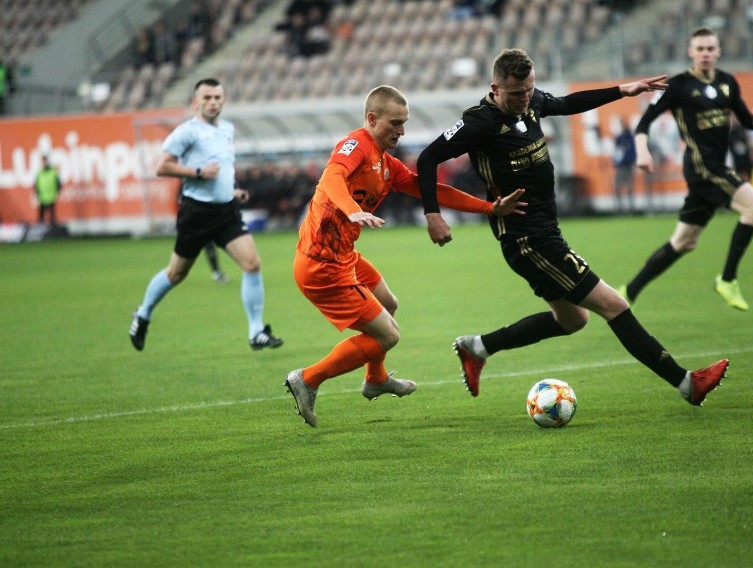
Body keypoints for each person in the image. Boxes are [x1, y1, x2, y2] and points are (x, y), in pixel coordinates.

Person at [416, 48, 729, 406]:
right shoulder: (479, 123)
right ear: (495, 88)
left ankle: (478, 347)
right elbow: (428, 158)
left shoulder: (531, 104)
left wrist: (621, 90)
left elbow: (566, 103)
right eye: (516, 93)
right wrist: (433, 214)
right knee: (614, 304)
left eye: (529, 90)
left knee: (572, 319)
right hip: (528, 239)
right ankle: (687, 382)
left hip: (546, 231)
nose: (525, 99)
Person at [283, 85, 526, 427]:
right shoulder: (354, 146)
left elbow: (429, 189)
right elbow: (331, 177)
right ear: (372, 119)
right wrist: (352, 210)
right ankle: (307, 379)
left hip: (344, 256)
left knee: (389, 303)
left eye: (404, 123)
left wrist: (489, 207)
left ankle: (376, 379)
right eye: (395, 123)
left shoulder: (385, 163)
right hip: (321, 265)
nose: (402, 131)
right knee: (388, 335)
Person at [617, 27, 753, 311]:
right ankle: (727, 279)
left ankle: (628, 291)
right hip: (703, 167)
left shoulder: (728, 82)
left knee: (684, 241)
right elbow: (644, 121)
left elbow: (746, 120)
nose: (706, 54)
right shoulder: (678, 86)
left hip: (712, 169)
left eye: (711, 48)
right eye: (700, 49)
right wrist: (642, 150)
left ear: (719, 51)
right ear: (691, 52)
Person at [129, 78, 282, 352]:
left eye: (217, 98)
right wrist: (197, 173)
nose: (213, 102)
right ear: (196, 101)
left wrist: (233, 190)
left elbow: (223, 167)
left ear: (223, 100)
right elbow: (161, 167)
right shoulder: (187, 132)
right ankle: (143, 314)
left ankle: (256, 330)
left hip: (226, 212)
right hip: (196, 213)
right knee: (176, 274)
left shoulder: (227, 129)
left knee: (252, 264)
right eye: (207, 97)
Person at [612, 115, 637, 214]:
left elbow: (632, 151)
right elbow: (617, 151)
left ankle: (630, 208)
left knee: (629, 187)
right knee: (618, 186)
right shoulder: (619, 138)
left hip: (627, 165)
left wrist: (632, 161)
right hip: (620, 166)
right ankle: (620, 208)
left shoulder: (629, 137)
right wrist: (615, 161)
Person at [34, 154, 62, 225]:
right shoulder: (40, 172)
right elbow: (37, 184)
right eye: (43, 161)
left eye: (45, 161)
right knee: (41, 216)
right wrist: (37, 194)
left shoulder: (53, 172)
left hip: (51, 197)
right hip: (42, 197)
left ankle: (53, 230)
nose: (44, 163)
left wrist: (57, 193)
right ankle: (41, 230)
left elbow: (59, 184)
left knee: (52, 216)